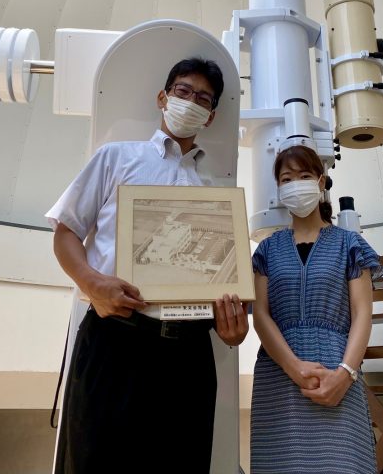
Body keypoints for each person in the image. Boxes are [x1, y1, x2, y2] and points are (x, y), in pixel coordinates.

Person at [46, 56, 250, 474]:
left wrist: (232, 328)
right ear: (163, 97)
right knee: (94, 462)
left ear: (211, 117)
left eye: (203, 99)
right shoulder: (115, 158)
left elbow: (224, 284)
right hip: (114, 339)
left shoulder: (216, 192)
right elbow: (65, 233)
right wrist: (92, 283)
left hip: (189, 356)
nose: (191, 102)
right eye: (183, 91)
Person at [250, 144, 383, 474]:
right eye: (286, 179)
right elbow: (261, 315)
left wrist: (345, 374)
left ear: (321, 182)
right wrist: (293, 366)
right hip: (278, 378)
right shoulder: (266, 250)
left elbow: (362, 314)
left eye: (304, 176)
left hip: (338, 374)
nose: (295, 184)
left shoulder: (350, 244)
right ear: (278, 188)